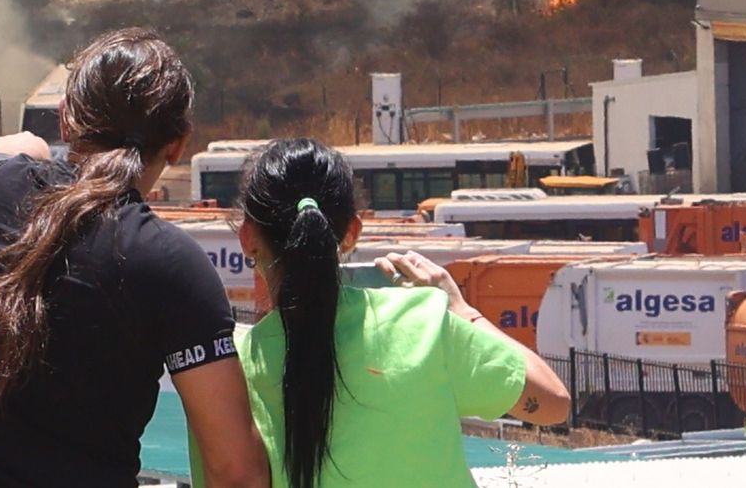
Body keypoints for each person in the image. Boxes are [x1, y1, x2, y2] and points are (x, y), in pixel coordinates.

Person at [0, 28, 268, 488]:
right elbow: (236, 470)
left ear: (66, 122)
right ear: (178, 143)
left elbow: (12, 146)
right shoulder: (170, 264)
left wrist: (34, 146)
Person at [216, 138, 569, 488]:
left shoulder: (227, 373)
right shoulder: (422, 324)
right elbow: (553, 403)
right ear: (351, 233)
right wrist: (462, 310)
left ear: (247, 237)